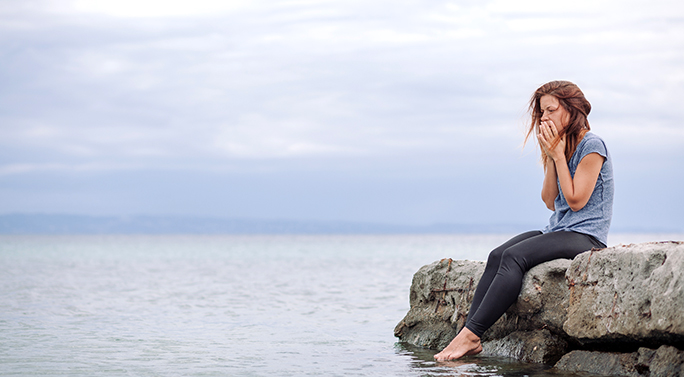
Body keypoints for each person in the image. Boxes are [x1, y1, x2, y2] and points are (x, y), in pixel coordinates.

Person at [434, 80, 614, 361]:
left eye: (551, 110)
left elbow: (577, 200)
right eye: (542, 112)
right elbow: (549, 200)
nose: (545, 118)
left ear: (572, 109)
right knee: (498, 255)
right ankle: (466, 333)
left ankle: (472, 335)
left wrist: (557, 154)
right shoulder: (560, 146)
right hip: (558, 228)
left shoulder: (592, 145)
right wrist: (553, 156)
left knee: (515, 257)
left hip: (586, 235)